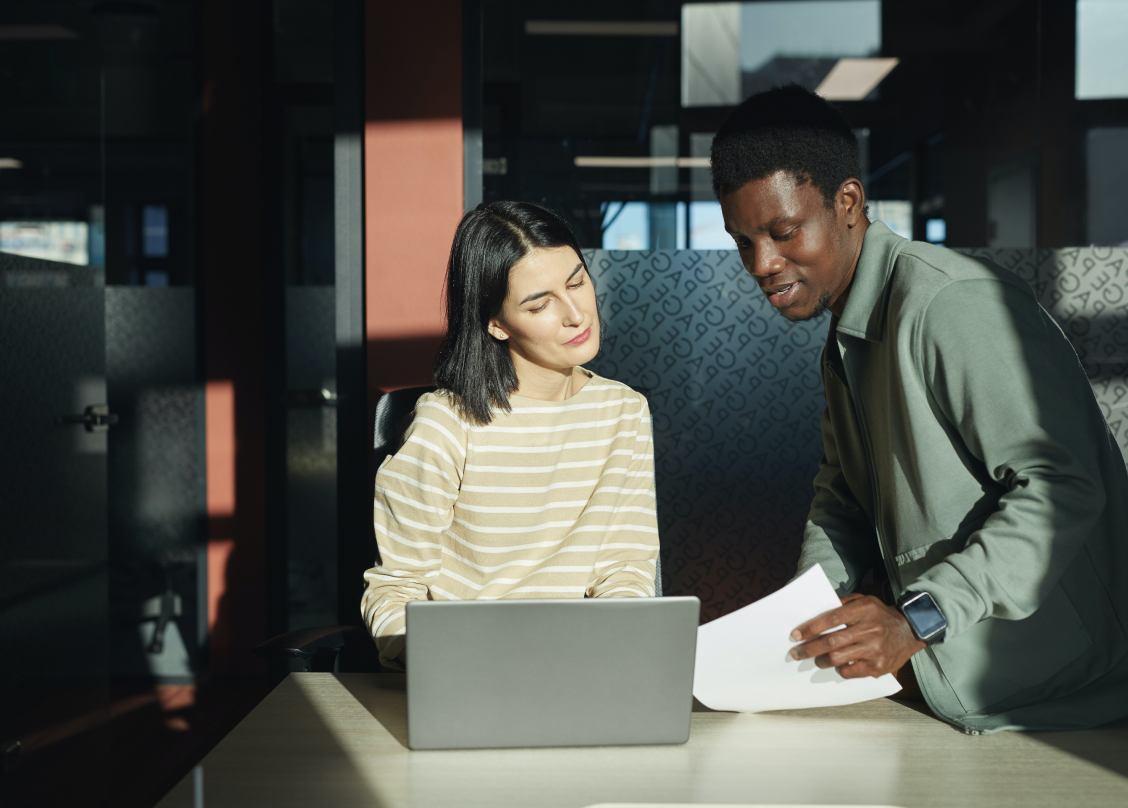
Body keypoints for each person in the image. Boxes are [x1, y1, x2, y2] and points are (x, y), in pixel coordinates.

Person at [711, 84, 1128, 732]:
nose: (762, 263)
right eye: (743, 241)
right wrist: (799, 635)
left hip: (1058, 697)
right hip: (953, 679)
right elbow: (840, 502)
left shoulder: (950, 304)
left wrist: (917, 619)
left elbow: (1064, 488)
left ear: (847, 202)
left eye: (783, 231)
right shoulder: (846, 332)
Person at [360, 201, 659, 668]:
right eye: (540, 304)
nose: (576, 315)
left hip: (581, 662)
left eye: (577, 282)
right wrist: (430, 662)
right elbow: (396, 587)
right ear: (496, 324)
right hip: (469, 664)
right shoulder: (447, 423)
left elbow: (625, 564)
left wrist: (619, 644)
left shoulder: (622, 411)